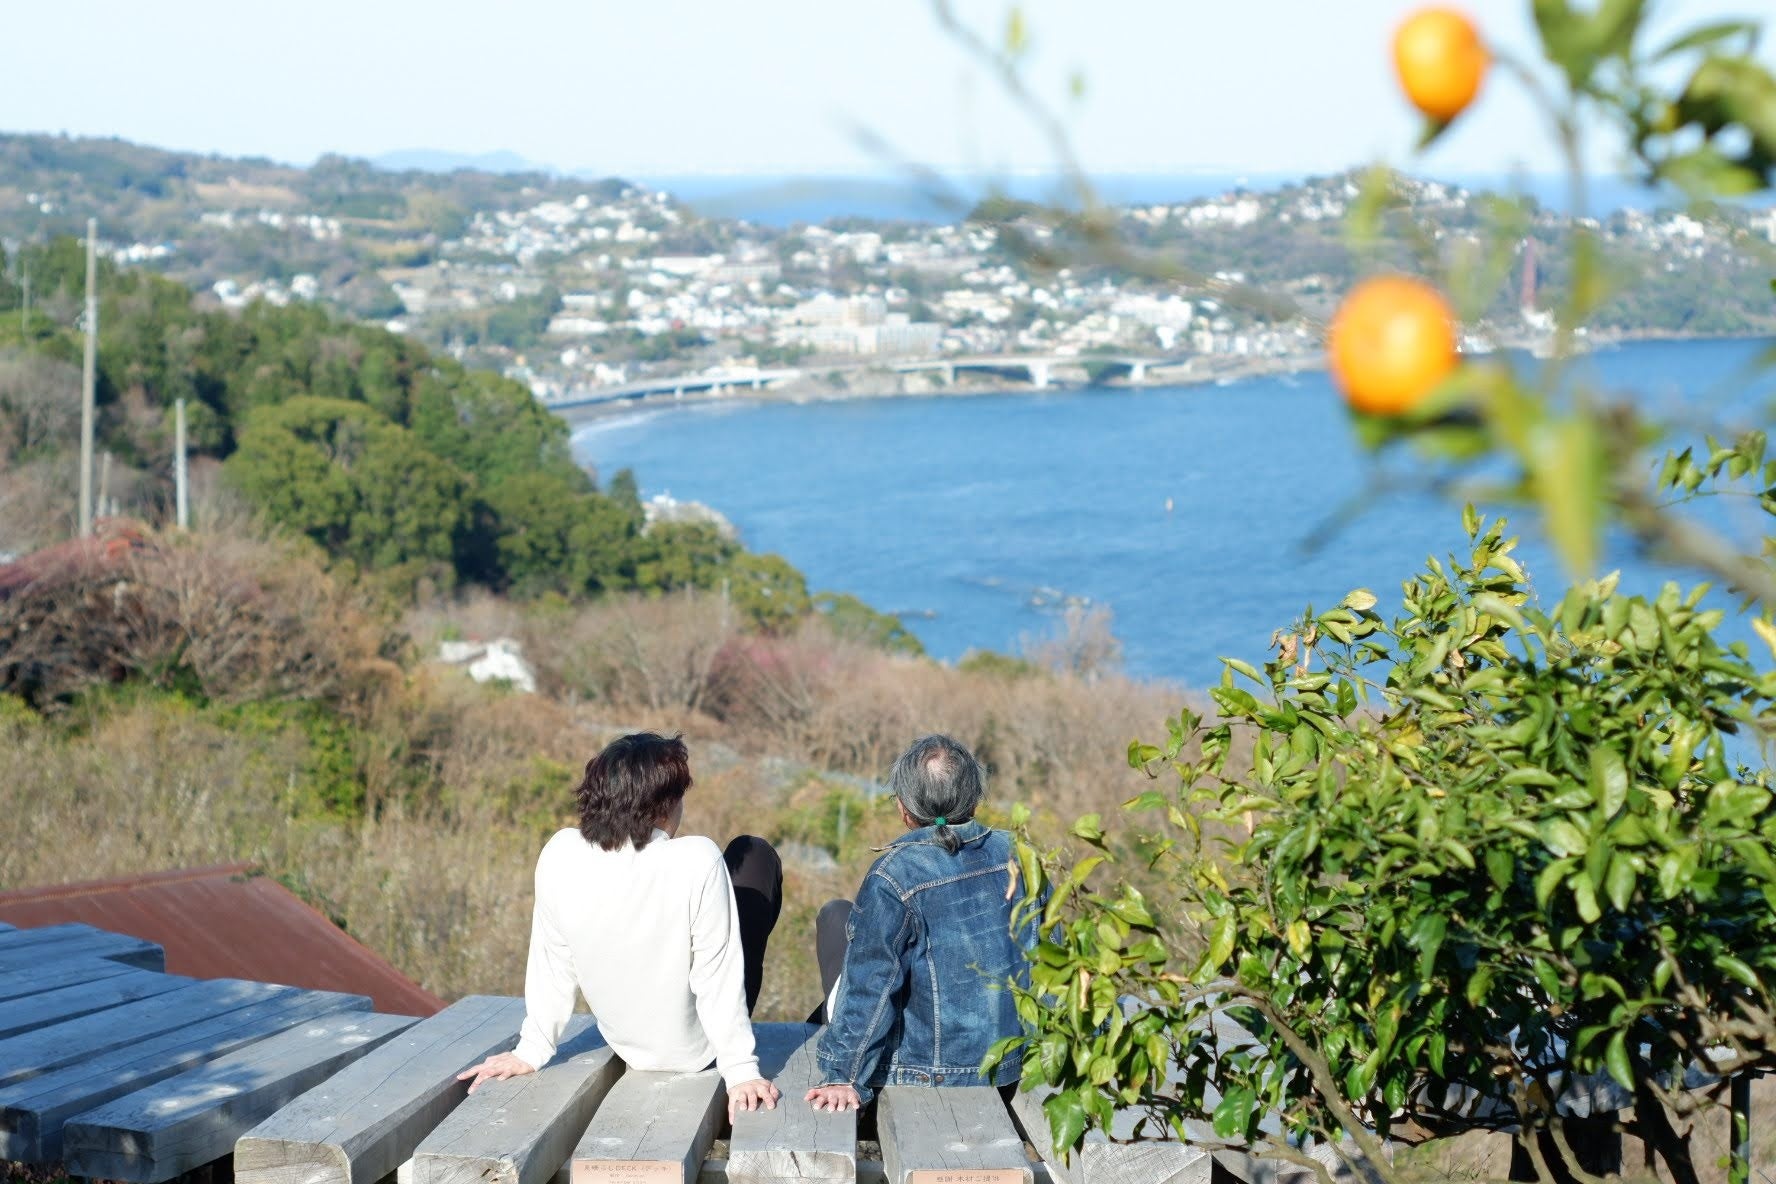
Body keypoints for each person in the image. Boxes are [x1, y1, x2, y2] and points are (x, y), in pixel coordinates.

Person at [458, 732, 782, 1121]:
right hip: (700, 1049)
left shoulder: (560, 852)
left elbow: (552, 962)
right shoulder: (697, 858)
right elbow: (718, 973)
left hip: (626, 1043)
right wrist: (741, 1070)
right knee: (754, 856)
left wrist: (530, 1051)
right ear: (667, 804)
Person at [805, 734, 1034, 1111]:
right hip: (1012, 1064)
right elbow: (1050, 955)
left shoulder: (895, 875)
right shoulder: (1020, 854)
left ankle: (823, 1025)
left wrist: (843, 1076)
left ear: (905, 809)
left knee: (836, 916)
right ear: (975, 798)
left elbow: (872, 984)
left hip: (928, 1072)